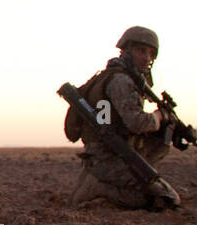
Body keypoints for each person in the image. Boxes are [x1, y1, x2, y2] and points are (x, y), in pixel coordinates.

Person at [67, 26, 183, 210]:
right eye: (141, 51)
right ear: (126, 51)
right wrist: (160, 116)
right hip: (109, 157)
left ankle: (97, 183)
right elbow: (137, 122)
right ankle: (100, 189)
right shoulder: (122, 80)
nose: (147, 57)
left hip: (104, 155)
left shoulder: (110, 77)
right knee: (166, 200)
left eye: (151, 53)